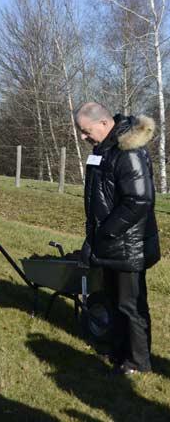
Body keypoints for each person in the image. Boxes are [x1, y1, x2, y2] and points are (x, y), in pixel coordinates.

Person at [77, 102, 160, 375]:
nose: (83, 137)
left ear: (103, 124)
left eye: (86, 131)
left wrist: (107, 231)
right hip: (109, 242)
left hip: (127, 244)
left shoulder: (128, 151)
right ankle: (119, 351)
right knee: (114, 300)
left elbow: (139, 200)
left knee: (131, 305)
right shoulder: (104, 149)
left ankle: (139, 362)